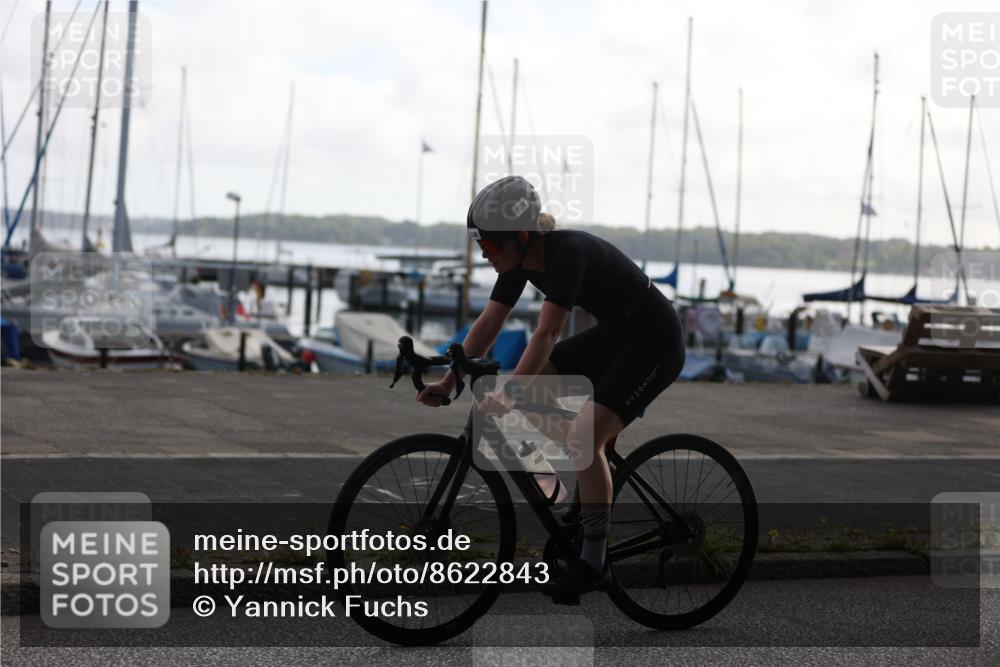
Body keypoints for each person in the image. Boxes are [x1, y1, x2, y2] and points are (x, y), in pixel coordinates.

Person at [416, 175, 686, 601]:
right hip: (616, 337)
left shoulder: (568, 252)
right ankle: (572, 493)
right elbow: (489, 321)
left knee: (580, 437)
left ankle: (593, 563)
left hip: (655, 343)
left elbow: (548, 333)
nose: (486, 255)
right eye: (480, 247)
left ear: (522, 236)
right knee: (551, 413)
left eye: (491, 247)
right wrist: (451, 380)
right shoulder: (518, 260)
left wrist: (513, 392)